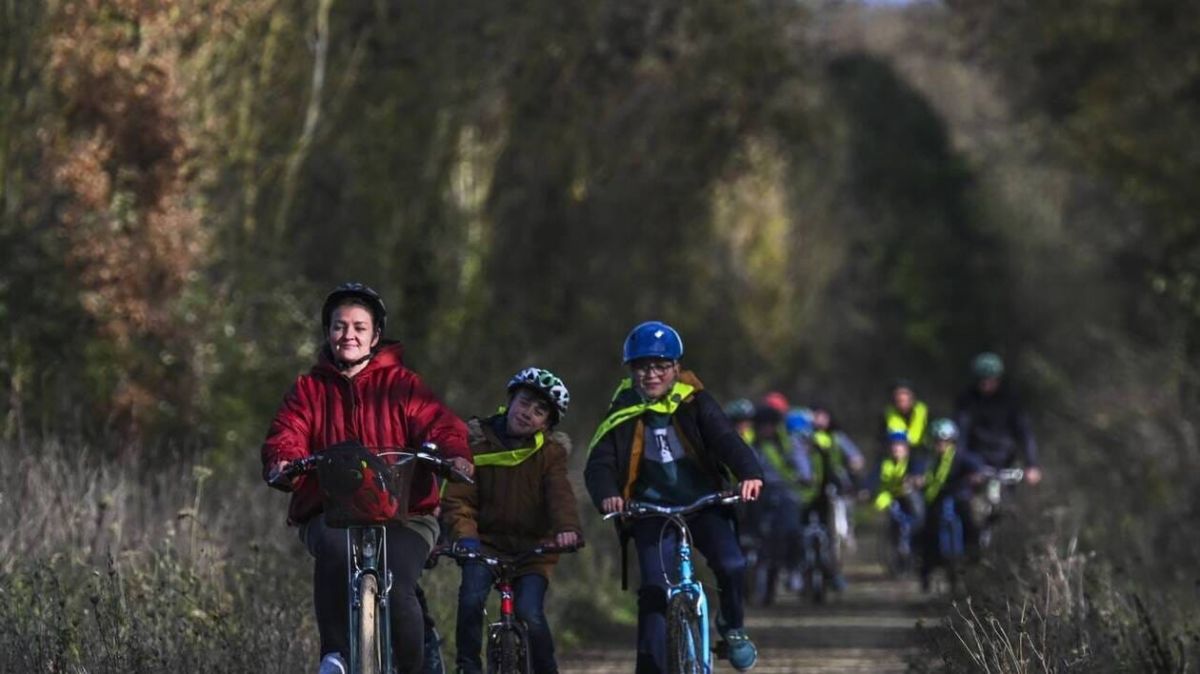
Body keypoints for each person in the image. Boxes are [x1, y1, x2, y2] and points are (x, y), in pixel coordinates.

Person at [261, 282, 474, 674]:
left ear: (375, 336)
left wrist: (453, 455)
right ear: (328, 333)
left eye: (360, 327)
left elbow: (439, 425)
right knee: (335, 550)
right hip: (331, 511)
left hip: (407, 513)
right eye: (340, 326)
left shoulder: (404, 385)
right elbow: (286, 432)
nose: (349, 335)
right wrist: (282, 461)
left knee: (397, 581)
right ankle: (335, 657)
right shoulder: (309, 390)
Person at [584, 321, 764, 673]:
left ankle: (732, 628)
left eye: (660, 366)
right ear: (632, 371)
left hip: (704, 503)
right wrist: (608, 495)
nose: (651, 375)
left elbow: (726, 438)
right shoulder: (623, 407)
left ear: (676, 368)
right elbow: (600, 462)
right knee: (655, 590)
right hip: (650, 511)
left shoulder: (695, 401)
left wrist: (749, 473)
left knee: (732, 565)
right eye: (642, 367)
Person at [441, 367, 583, 674]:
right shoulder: (476, 441)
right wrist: (465, 537)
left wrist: (566, 529)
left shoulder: (550, 454)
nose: (528, 413)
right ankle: (468, 667)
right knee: (470, 600)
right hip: (483, 545)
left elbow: (559, 494)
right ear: (510, 400)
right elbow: (458, 498)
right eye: (524, 402)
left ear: (547, 423)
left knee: (529, 614)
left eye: (539, 411)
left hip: (532, 551)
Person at [915, 418, 984, 592]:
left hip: (959, 498)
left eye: (945, 441)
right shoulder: (928, 459)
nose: (941, 445)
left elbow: (978, 468)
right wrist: (917, 480)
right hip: (935, 502)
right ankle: (926, 572)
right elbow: (918, 472)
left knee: (971, 525)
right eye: (938, 441)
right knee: (926, 534)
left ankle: (973, 559)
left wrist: (976, 476)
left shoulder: (961, 456)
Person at [954, 353, 1042, 485]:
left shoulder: (1011, 400)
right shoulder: (967, 401)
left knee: (1007, 502)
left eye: (990, 380)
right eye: (981, 380)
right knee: (965, 499)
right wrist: (961, 464)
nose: (986, 384)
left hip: (1005, 461)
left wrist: (1032, 464)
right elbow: (961, 434)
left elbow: (1025, 433)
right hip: (976, 461)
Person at [748, 403, 805, 605]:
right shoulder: (751, 447)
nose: (766, 429)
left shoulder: (789, 445)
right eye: (762, 425)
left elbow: (803, 467)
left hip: (785, 494)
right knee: (754, 536)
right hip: (758, 496)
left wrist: (804, 477)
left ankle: (793, 568)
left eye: (770, 425)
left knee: (792, 531)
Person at [881, 379, 929, 457]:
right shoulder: (888, 415)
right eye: (898, 398)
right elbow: (882, 440)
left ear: (912, 398)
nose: (902, 400)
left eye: (905, 396)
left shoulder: (924, 412)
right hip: (896, 455)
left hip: (921, 453)